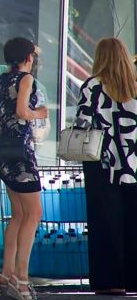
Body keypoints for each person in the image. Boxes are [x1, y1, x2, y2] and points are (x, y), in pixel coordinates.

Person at [75, 37, 137, 294]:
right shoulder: (133, 86)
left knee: (104, 220)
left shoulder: (93, 86)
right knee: (132, 220)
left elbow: (83, 122)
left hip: (102, 163)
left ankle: (110, 280)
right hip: (132, 164)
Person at [0, 37, 47, 300]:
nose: (33, 59)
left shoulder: (0, 81)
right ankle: (22, 279)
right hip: (22, 156)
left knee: (17, 215)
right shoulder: (26, 80)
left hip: (4, 154)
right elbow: (23, 112)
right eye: (32, 55)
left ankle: (6, 274)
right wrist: (42, 113)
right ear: (26, 57)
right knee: (33, 214)